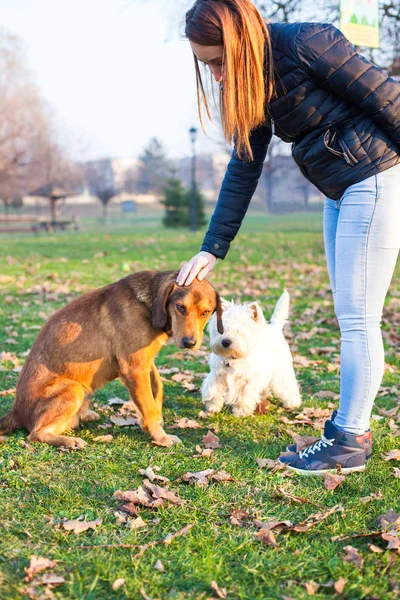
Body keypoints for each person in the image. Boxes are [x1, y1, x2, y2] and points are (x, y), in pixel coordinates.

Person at [176, 0, 400, 475]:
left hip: (374, 179)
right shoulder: (251, 83)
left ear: (240, 41)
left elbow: (387, 99)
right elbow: (244, 164)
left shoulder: (308, 42)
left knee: (359, 319)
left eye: (218, 61)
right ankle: (345, 433)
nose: (216, 75)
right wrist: (212, 247)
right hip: (338, 191)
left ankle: (349, 438)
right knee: (351, 318)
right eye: (206, 65)